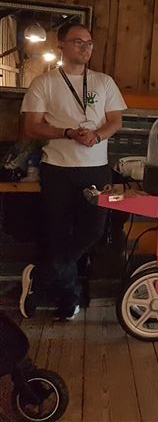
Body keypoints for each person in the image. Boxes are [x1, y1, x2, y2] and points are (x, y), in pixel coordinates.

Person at [19, 22, 126, 320]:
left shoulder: (104, 81)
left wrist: (98, 135)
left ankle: (40, 277)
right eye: (78, 42)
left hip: (96, 170)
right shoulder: (44, 82)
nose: (85, 47)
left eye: (89, 42)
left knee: (93, 231)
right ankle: (70, 299)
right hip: (58, 170)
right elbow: (31, 127)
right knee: (58, 236)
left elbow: (115, 120)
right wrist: (67, 132)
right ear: (61, 46)